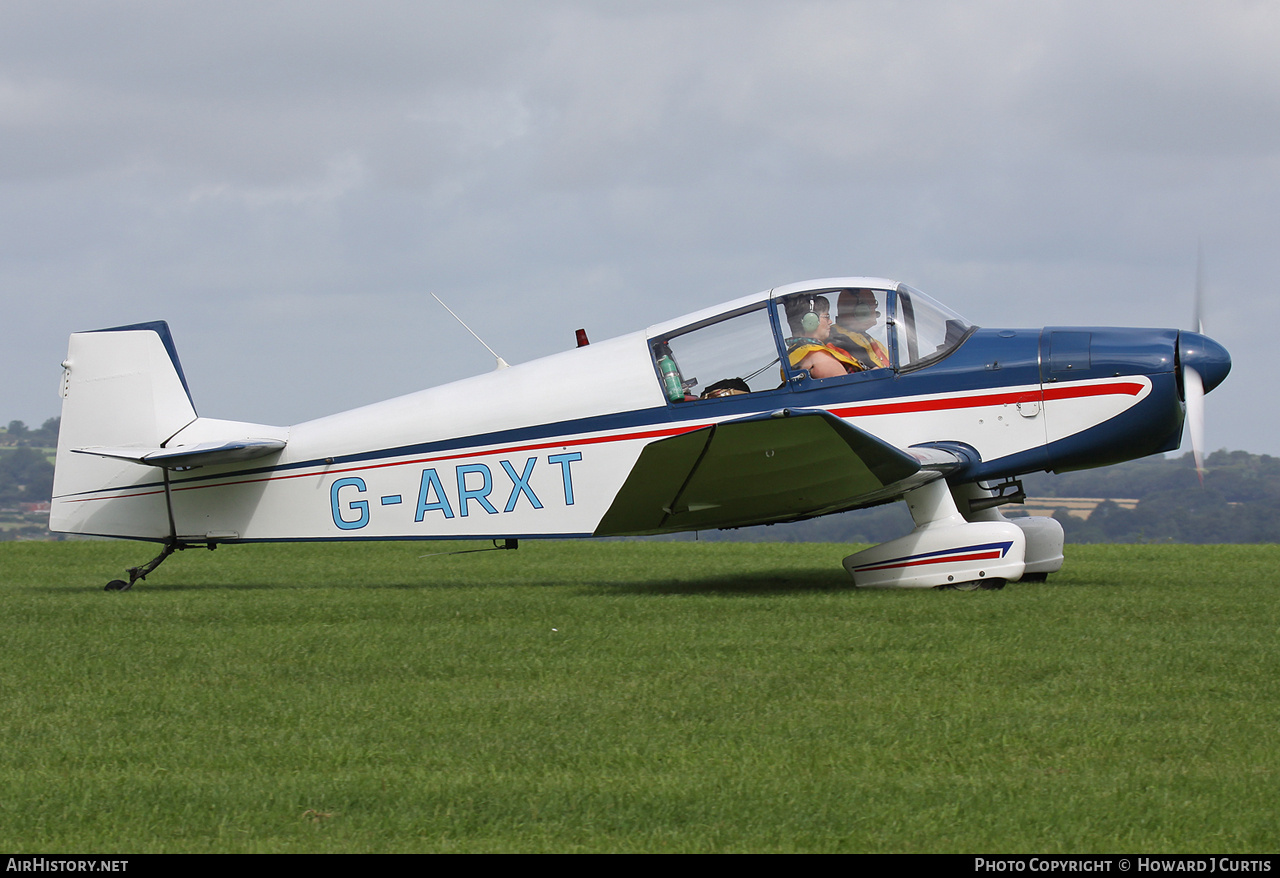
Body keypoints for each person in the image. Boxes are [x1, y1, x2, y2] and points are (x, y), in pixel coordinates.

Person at [782, 294, 863, 379]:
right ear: (810, 321)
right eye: (826, 317)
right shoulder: (820, 359)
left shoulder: (795, 354)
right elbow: (850, 389)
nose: (830, 321)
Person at [830, 289, 890, 370]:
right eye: (872, 306)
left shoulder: (865, 338)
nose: (875, 312)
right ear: (861, 311)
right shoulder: (837, 339)